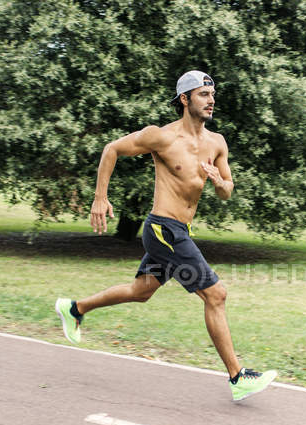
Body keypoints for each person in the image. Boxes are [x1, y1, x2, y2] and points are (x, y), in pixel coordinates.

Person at [55, 70, 276, 401]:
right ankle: (237, 377)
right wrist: (100, 197)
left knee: (140, 291)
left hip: (179, 230)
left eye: (212, 95)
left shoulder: (217, 143)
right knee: (216, 295)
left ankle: (74, 309)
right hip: (163, 228)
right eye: (203, 94)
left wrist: (219, 182)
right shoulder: (162, 137)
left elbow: (228, 190)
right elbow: (111, 149)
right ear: (185, 99)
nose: (211, 100)